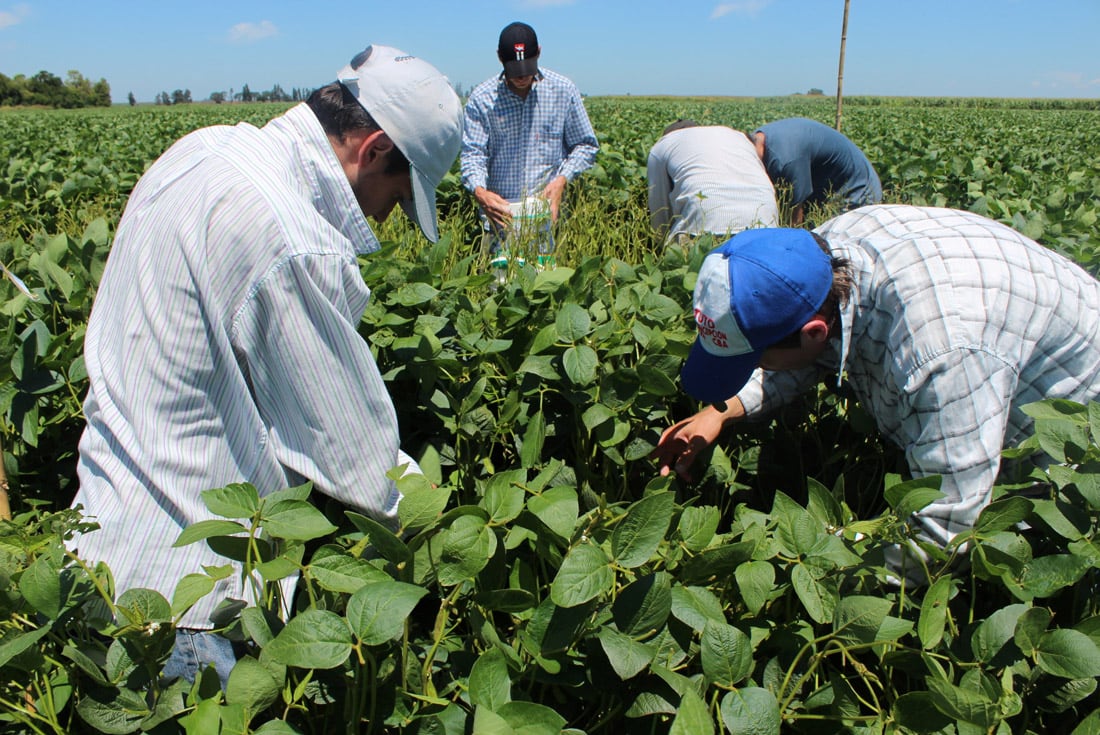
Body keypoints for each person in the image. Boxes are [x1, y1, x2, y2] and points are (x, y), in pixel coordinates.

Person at [70, 44, 464, 686]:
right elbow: (351, 456)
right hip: (190, 610)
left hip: (97, 557)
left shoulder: (203, 149)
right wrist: (443, 520)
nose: (386, 216)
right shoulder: (289, 238)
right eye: (398, 194)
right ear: (376, 149)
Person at [653, 204, 1100, 580]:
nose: (752, 370)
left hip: (1075, 426)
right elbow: (810, 350)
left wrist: (823, 577)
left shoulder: (940, 354)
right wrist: (723, 411)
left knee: (1031, 529)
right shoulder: (816, 256)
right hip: (987, 345)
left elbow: (946, 531)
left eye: (754, 361)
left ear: (813, 330)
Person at [460, 21, 599, 264]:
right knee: (501, 289)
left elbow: (585, 145)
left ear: (539, 53)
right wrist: (480, 192)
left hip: (547, 218)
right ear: (499, 58)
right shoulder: (482, 99)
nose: (522, 76)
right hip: (500, 219)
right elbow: (473, 154)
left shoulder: (563, 91)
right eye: (514, 69)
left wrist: (562, 179)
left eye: (528, 67)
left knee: (546, 290)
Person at [647, 119, 779, 245]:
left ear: (666, 135)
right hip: (765, 216)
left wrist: (662, 244)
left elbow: (659, 208)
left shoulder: (662, 145)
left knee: (694, 266)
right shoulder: (738, 137)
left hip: (706, 222)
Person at [750, 117, 882, 226]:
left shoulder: (787, 159)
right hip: (827, 186)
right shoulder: (757, 138)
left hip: (857, 188)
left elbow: (795, 219)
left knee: (835, 245)